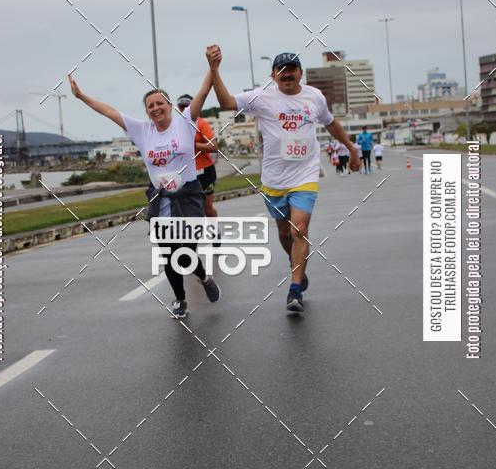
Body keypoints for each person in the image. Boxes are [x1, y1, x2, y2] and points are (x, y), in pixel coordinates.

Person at [205, 46, 360, 313]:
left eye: (292, 70)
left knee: (299, 229)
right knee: (284, 232)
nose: (287, 75)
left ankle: (295, 289)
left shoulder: (315, 97)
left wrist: (352, 148)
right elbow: (227, 103)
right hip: (274, 179)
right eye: (282, 71)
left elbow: (331, 123)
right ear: (273, 75)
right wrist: (215, 69)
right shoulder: (262, 97)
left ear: (300, 73)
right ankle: (295, 262)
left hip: (305, 175)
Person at [68, 72, 220, 319]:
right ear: (147, 111)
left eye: (160, 103)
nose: (156, 108)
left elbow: (203, 93)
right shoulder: (142, 130)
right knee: (169, 253)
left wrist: (212, 69)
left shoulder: (184, 122)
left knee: (187, 253)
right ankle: (181, 300)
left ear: (169, 106)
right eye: (151, 106)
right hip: (161, 198)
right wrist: (81, 96)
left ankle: (203, 277)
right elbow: (109, 111)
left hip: (188, 194)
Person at [176, 95, 218, 219]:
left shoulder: (201, 123)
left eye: (187, 106)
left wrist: (192, 144)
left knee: (208, 210)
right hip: (187, 174)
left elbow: (214, 147)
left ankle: (214, 233)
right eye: (181, 107)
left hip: (205, 172)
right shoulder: (176, 125)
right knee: (192, 212)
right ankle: (196, 237)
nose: (184, 110)